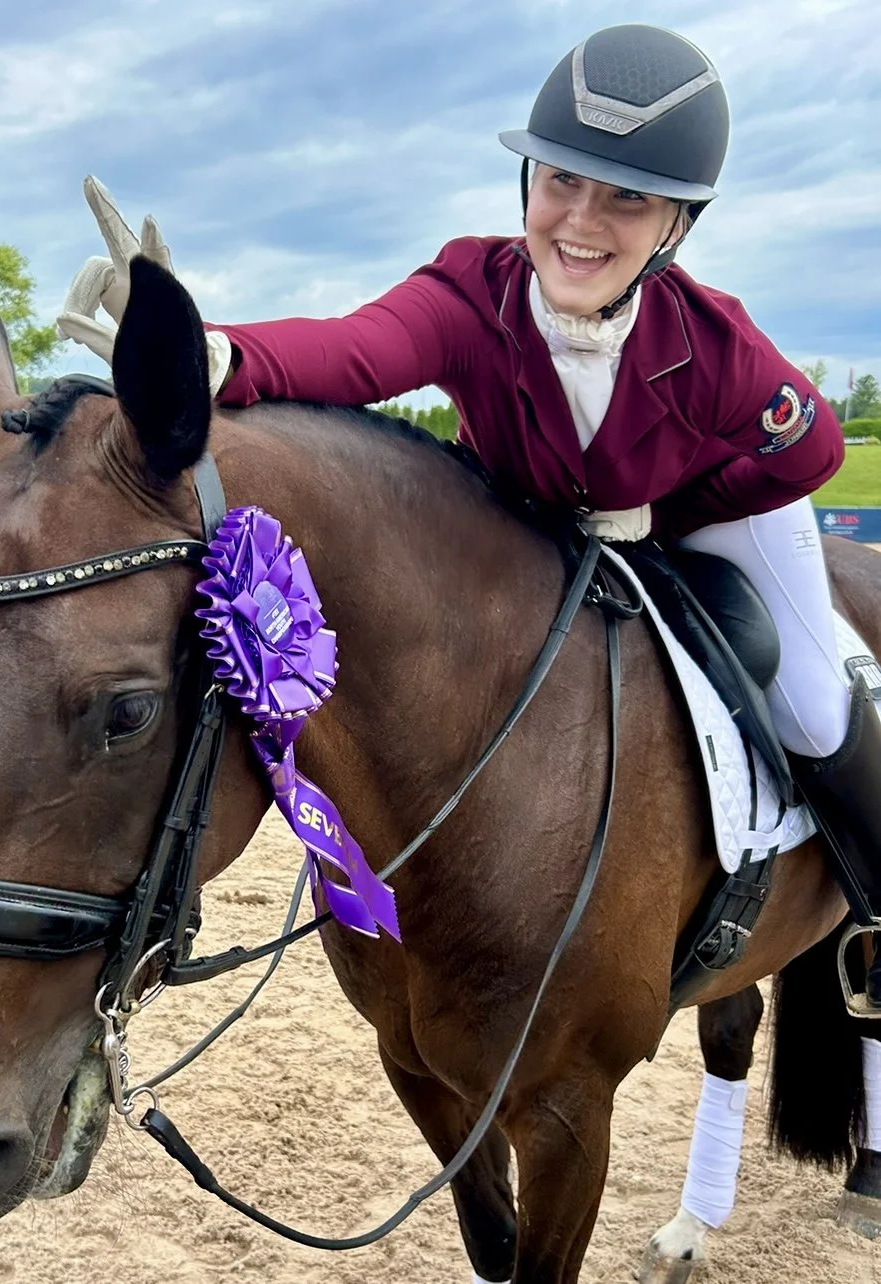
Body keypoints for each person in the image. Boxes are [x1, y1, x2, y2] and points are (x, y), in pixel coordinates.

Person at [58, 23, 881, 993]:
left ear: (676, 226)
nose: (579, 220)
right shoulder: (469, 292)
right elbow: (354, 350)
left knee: (819, 708)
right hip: (539, 518)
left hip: (713, 507)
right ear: (525, 186)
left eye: (626, 196)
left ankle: (872, 912)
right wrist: (210, 348)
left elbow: (812, 448)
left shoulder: (715, 345)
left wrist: (673, 512)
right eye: (559, 182)